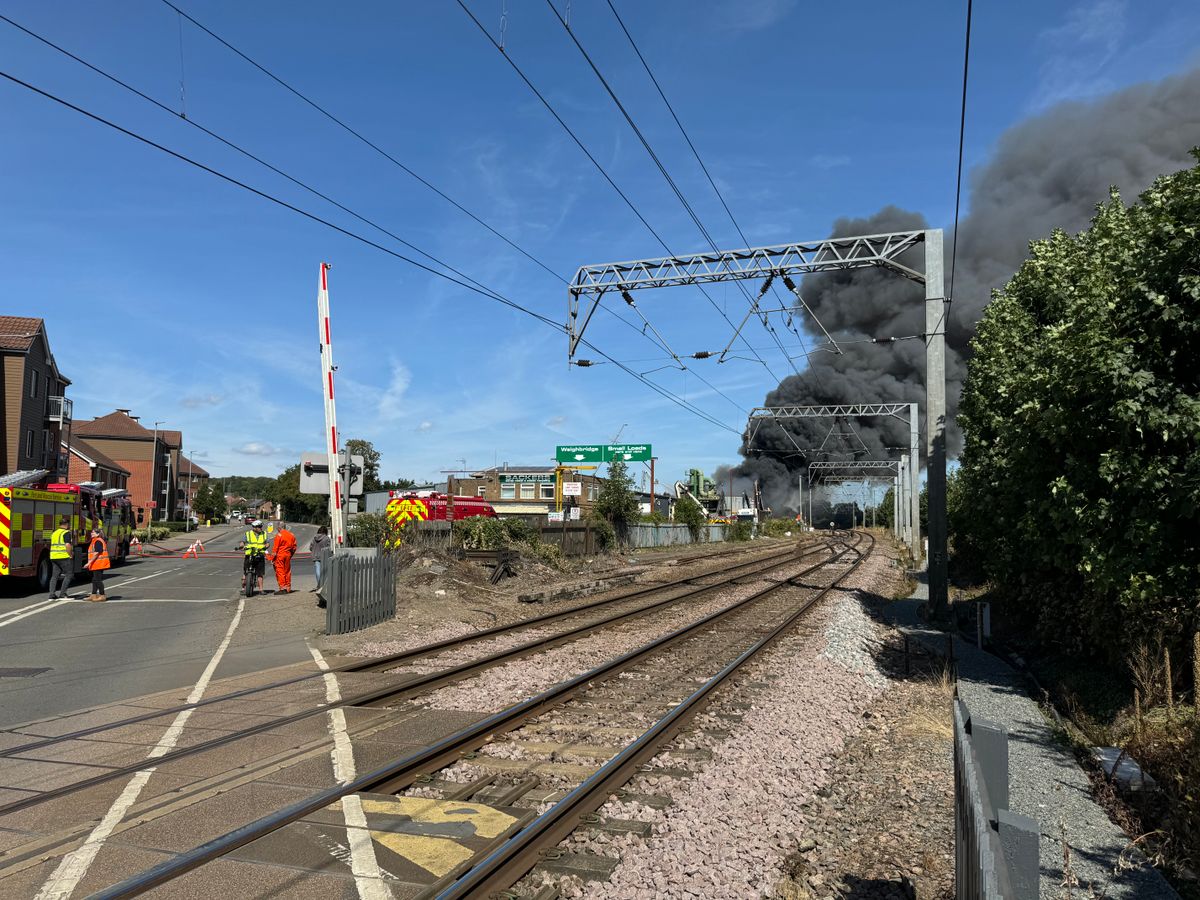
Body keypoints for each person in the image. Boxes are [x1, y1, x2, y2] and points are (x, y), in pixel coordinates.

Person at [237, 519, 268, 596]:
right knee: (245, 571)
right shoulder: (248, 534)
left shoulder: (264, 534)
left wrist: (265, 546)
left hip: (260, 554)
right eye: (259, 527)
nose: (261, 528)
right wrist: (241, 546)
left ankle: (261, 590)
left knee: (260, 573)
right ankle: (243, 589)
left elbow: (267, 543)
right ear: (254, 527)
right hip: (249, 554)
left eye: (261, 526)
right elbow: (242, 542)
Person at [48, 515, 74, 600]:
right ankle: (63, 594)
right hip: (63, 556)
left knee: (54, 576)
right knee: (69, 574)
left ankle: (51, 595)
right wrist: (70, 554)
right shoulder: (66, 533)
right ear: (66, 524)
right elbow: (67, 545)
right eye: (69, 524)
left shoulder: (54, 533)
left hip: (53, 556)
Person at [267, 522, 297, 594]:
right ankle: (288, 588)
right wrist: (290, 555)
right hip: (288, 555)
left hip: (280, 555)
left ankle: (282, 588)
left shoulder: (279, 535)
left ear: (279, 528)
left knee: (280, 571)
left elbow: (275, 549)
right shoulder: (291, 535)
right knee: (287, 571)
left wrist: (272, 558)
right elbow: (294, 547)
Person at [84, 527, 110, 601]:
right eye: (91, 532)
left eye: (93, 532)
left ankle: (102, 595)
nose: (91, 533)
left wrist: (89, 563)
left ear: (98, 534)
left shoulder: (98, 541)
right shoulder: (94, 540)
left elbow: (97, 553)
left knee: (97, 580)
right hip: (96, 564)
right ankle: (93, 595)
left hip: (99, 564)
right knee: (94, 579)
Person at [309, 525, 330, 594]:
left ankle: (319, 585)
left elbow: (310, 547)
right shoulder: (327, 538)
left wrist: (314, 550)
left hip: (315, 556)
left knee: (317, 570)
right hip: (324, 556)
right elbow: (329, 547)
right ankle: (323, 585)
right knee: (324, 571)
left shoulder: (314, 538)